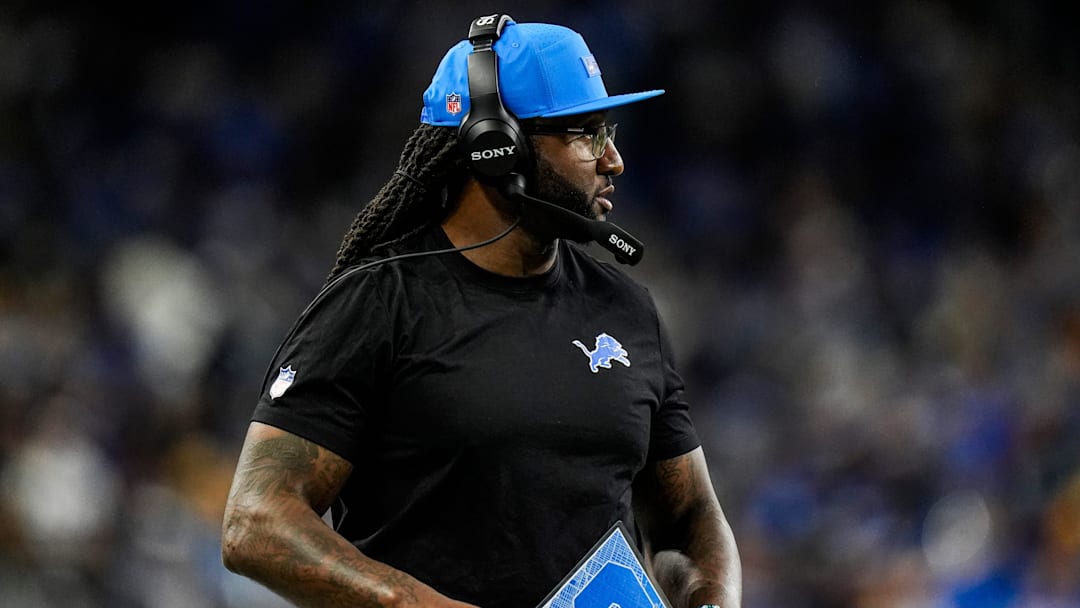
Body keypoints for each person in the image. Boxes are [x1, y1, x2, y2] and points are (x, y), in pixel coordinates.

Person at [221, 14, 741, 608]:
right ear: (497, 148)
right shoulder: (378, 303)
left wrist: (710, 602)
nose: (614, 160)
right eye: (587, 134)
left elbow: (688, 519)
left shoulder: (626, 308)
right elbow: (256, 522)